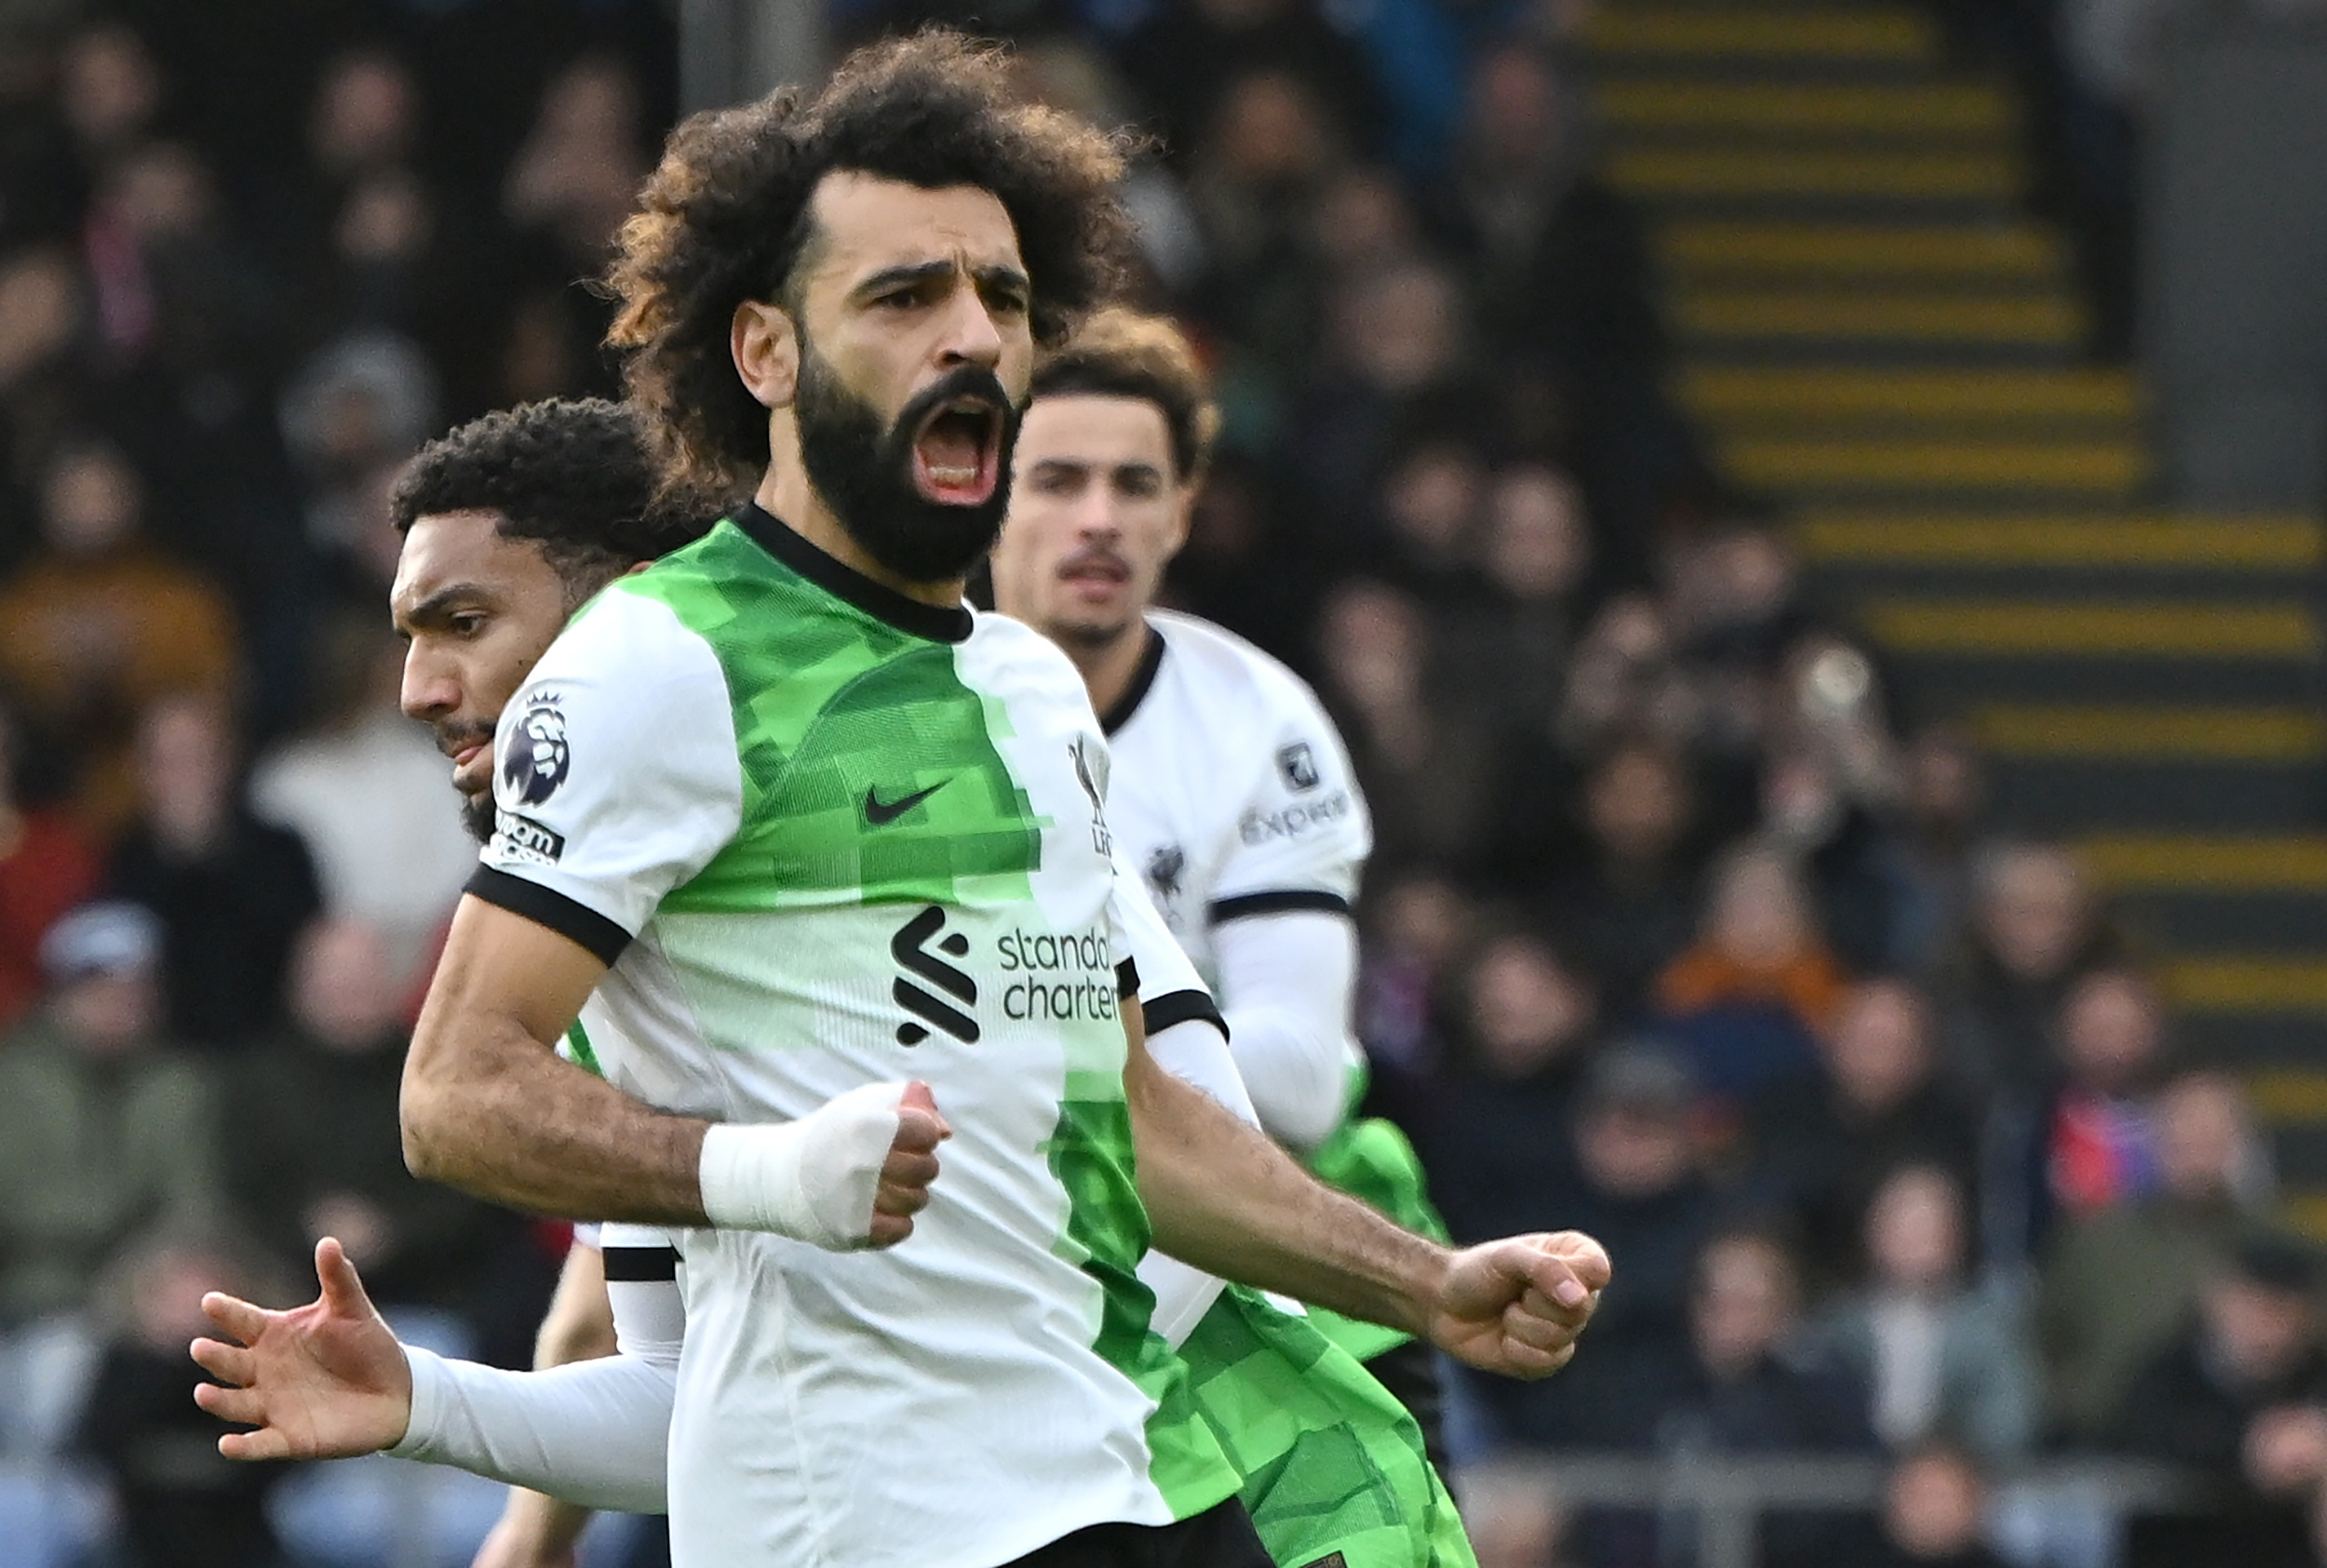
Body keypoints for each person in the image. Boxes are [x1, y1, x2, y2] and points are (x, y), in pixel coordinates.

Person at [204, 35, 1606, 1568]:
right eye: (901, 296)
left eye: (1001, 298)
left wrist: (1423, 1280)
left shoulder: (1024, 689)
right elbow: (454, 1090)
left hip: (1108, 1499)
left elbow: (1134, 1122)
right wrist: (767, 1177)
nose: (973, 337)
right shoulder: (662, 663)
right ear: (764, 353)